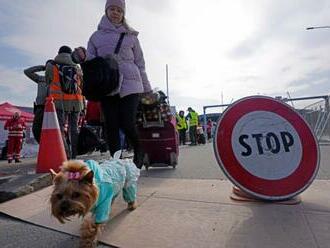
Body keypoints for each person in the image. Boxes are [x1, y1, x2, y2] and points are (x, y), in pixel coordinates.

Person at [85, 0, 152, 168]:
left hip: (131, 84)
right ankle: (116, 161)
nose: (115, 13)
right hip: (107, 85)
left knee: (128, 122)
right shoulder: (95, 37)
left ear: (123, 14)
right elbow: (90, 62)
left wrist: (147, 88)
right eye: (112, 9)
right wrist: (81, 57)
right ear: (106, 11)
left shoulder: (131, 37)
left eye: (119, 10)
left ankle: (139, 149)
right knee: (111, 124)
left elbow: (140, 63)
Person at [45, 45, 85, 159]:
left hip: (59, 102)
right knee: (74, 129)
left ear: (58, 53)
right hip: (76, 102)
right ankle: (74, 155)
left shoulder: (51, 65)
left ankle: (64, 154)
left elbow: (48, 81)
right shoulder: (77, 66)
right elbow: (82, 84)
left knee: (61, 129)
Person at [23, 65, 47, 143]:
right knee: (36, 129)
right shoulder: (41, 79)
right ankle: (42, 146)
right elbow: (27, 72)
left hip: (55, 108)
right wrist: (42, 67)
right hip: (40, 107)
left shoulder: (59, 79)